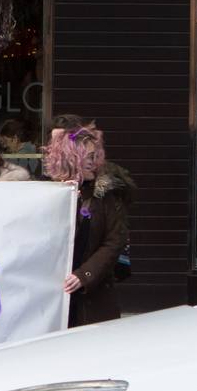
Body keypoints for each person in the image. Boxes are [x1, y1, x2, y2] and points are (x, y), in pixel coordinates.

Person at [45, 116, 135, 327]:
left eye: (94, 156)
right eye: (86, 156)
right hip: (53, 297)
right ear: (69, 157)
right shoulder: (51, 193)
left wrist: (84, 275)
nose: (92, 162)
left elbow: (115, 241)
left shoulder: (107, 193)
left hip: (93, 296)